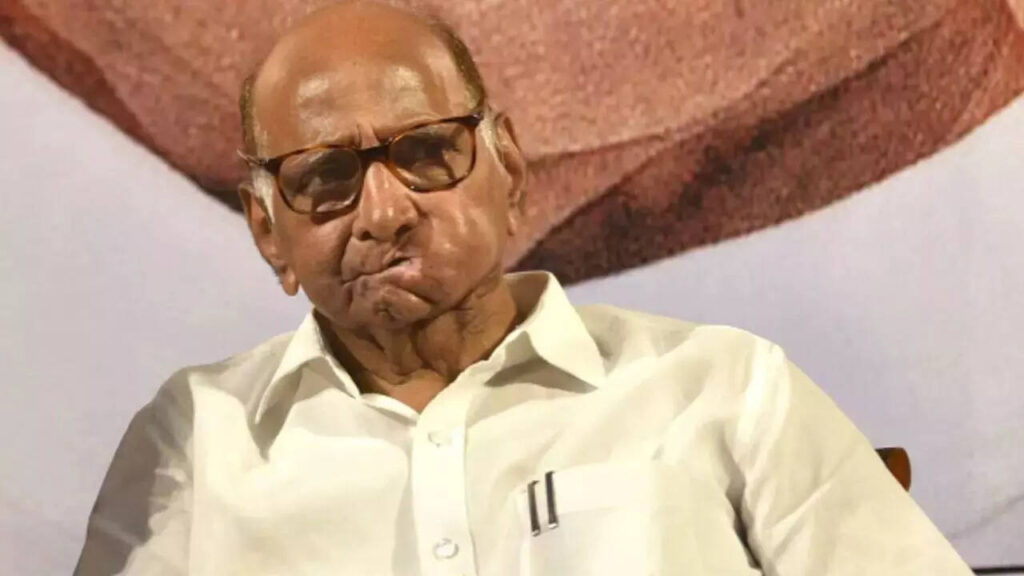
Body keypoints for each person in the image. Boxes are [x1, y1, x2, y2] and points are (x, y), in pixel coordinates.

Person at [76, 1, 973, 574]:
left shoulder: (727, 389)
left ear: (507, 168)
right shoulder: (196, 441)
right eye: (326, 178)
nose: (384, 211)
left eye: (426, 152)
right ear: (269, 230)